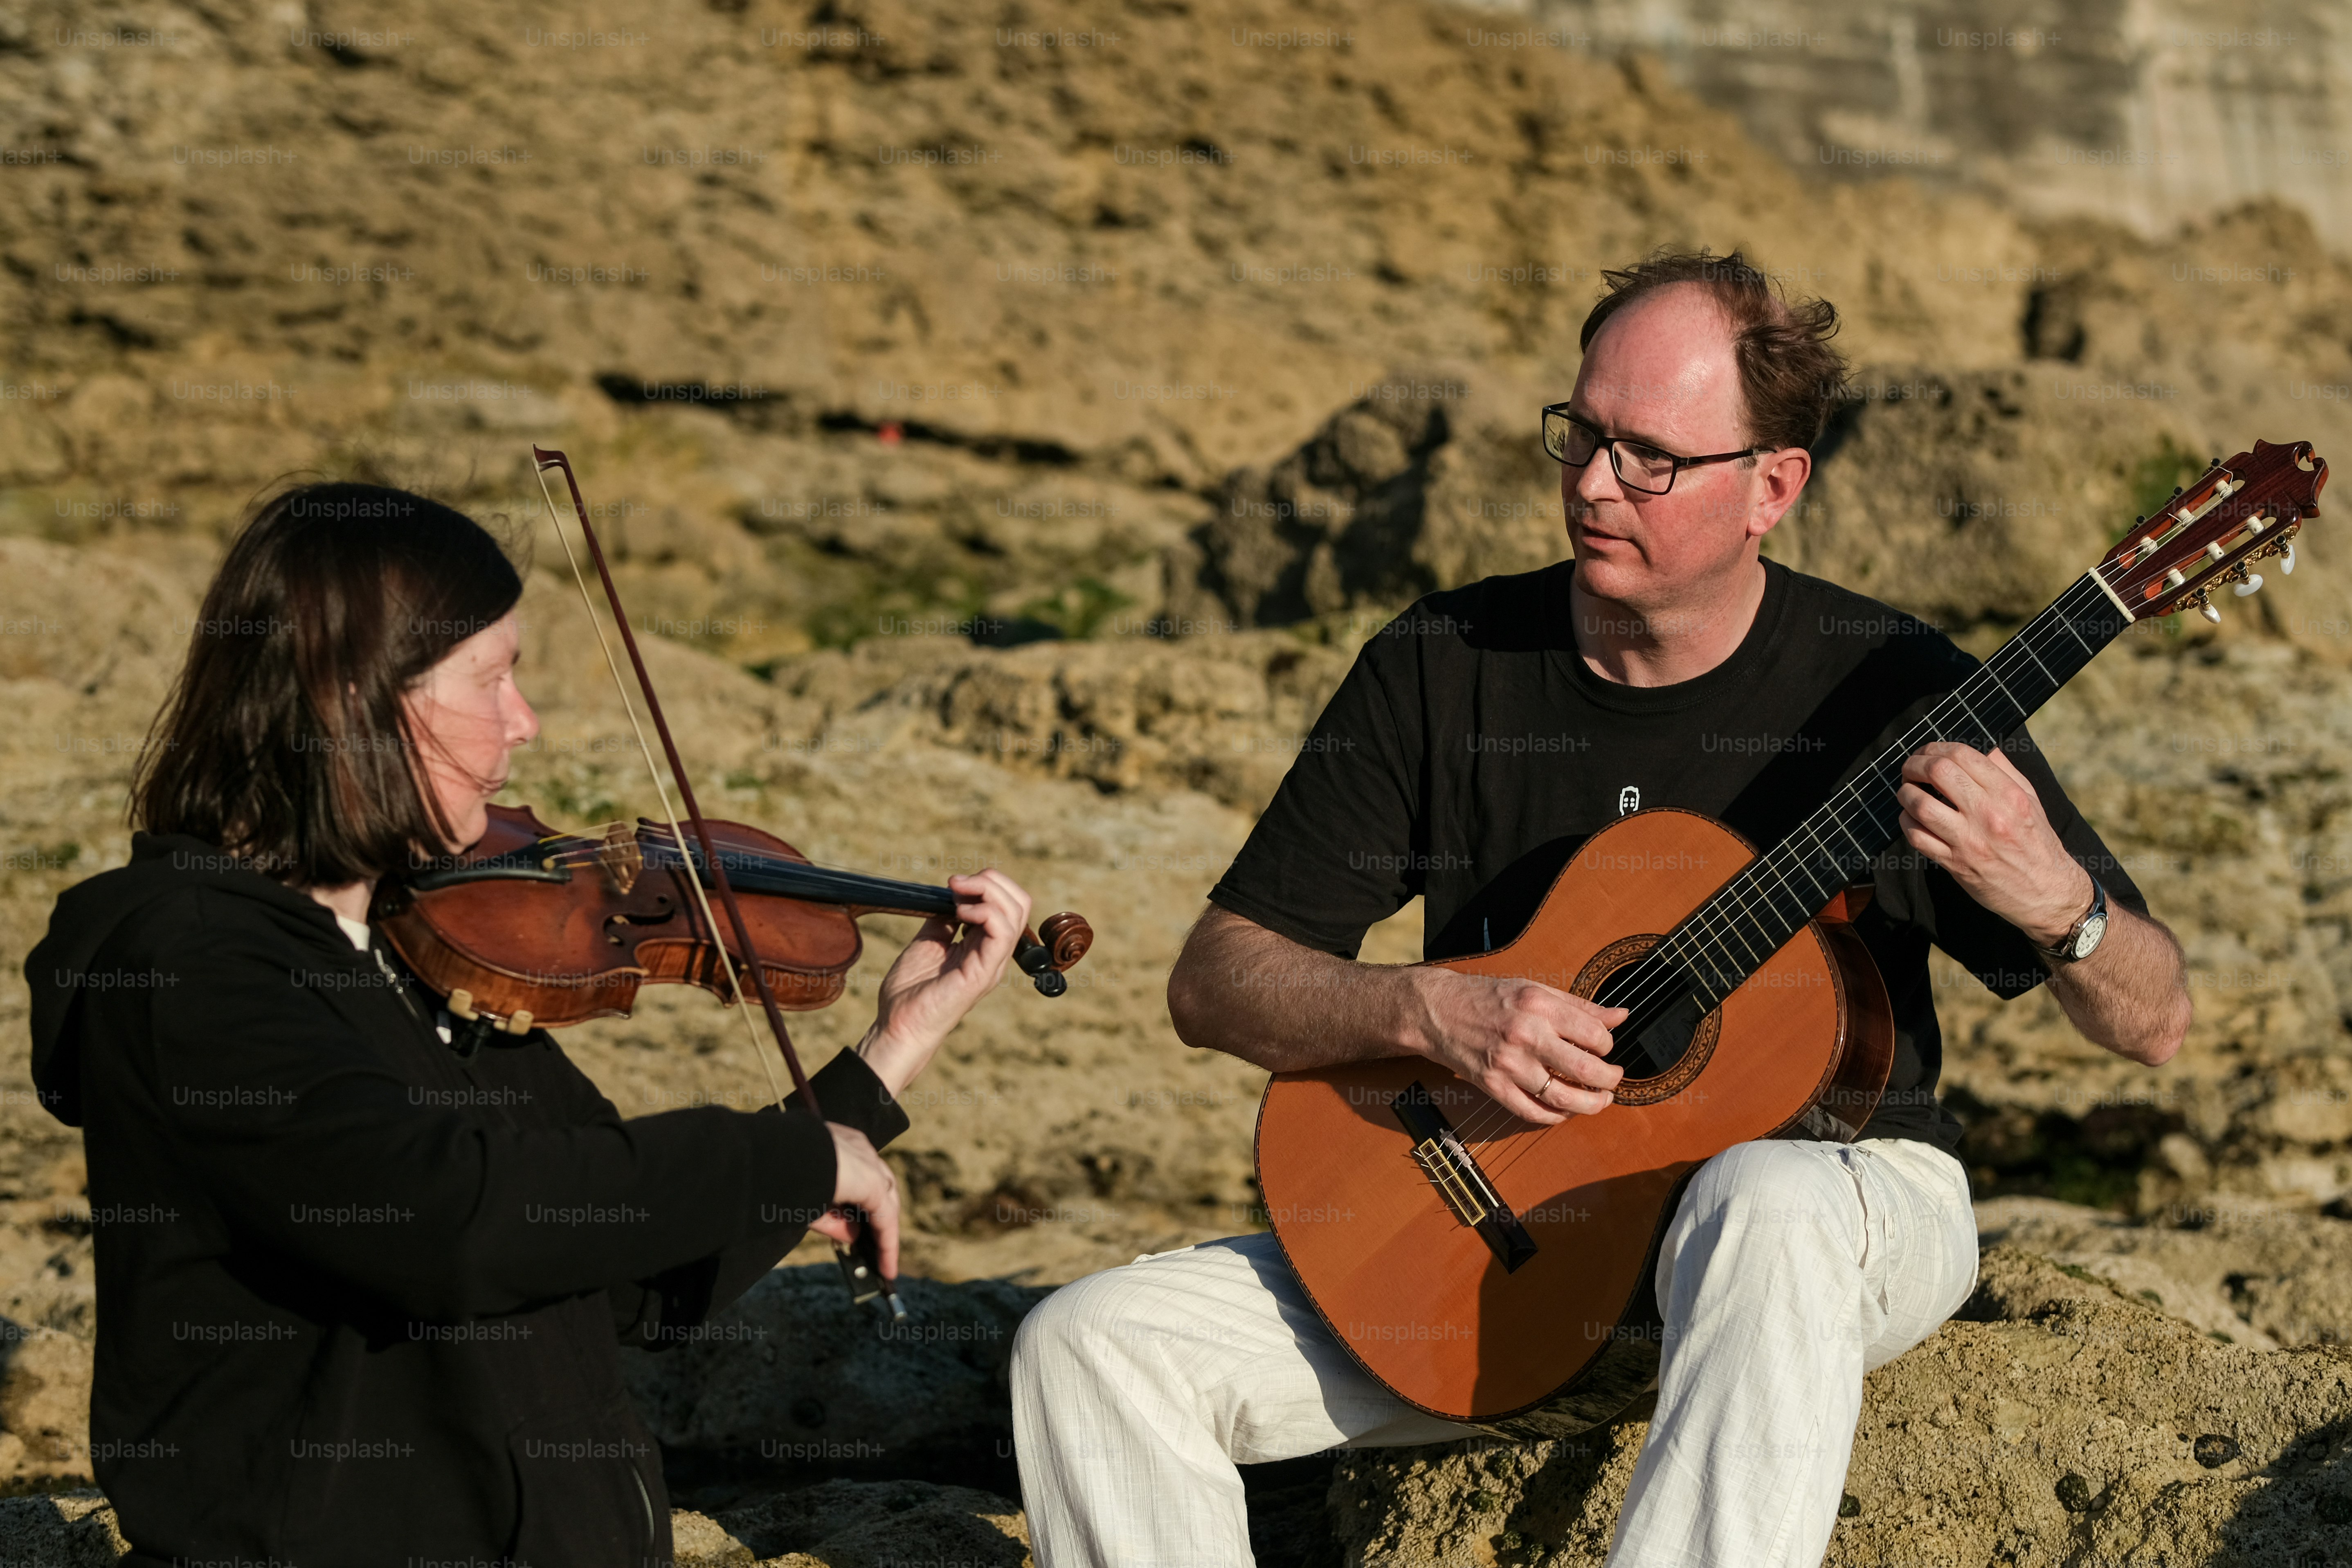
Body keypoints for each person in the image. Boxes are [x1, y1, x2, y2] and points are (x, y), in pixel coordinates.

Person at [1010, 251, 2192, 1567]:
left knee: (1761, 1197)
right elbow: (1215, 980)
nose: (1590, 485)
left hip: (1827, 1214)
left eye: (1650, 458)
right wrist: (1429, 1008)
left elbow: (2153, 1021)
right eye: (1581, 435)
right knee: (1087, 1346)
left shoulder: (1900, 691)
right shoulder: (1443, 663)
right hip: (1508, 1226)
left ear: (1772, 488)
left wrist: (2060, 902)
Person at [27, 481, 1035, 1567]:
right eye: (492, 676)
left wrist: (888, 1056)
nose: (526, 720)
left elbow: (624, 1276)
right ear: (357, 696)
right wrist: (782, 1154)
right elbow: (451, 1221)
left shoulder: (414, 956)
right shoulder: (191, 964)